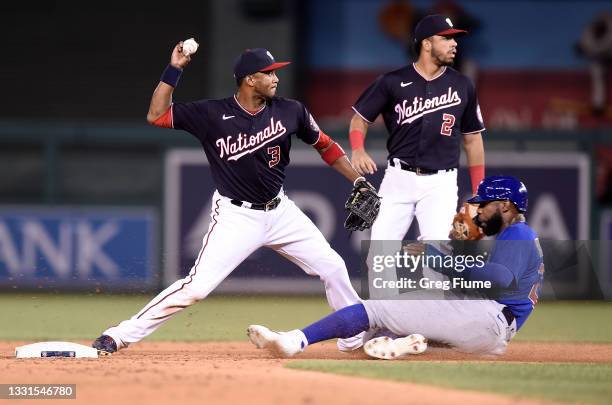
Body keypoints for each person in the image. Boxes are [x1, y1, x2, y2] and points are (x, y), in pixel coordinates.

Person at [91, 43, 369, 354]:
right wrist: (175, 69)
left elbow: (326, 145)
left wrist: (357, 179)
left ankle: (354, 337)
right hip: (237, 216)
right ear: (249, 79)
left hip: (281, 211)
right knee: (195, 288)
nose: (276, 78)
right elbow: (156, 115)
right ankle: (120, 334)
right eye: (269, 73)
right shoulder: (211, 114)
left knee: (332, 266)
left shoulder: (292, 110)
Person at [247, 176, 545, 358]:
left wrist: (440, 261)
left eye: (486, 205)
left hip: (488, 320)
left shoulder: (518, 233)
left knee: (376, 308)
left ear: (505, 206)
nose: (479, 211)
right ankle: (411, 344)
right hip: (489, 330)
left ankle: (294, 341)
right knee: (379, 335)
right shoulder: (517, 236)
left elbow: (498, 279)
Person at [349, 14, 485, 241]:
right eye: (447, 38)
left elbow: (473, 140)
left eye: (455, 39)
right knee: (380, 258)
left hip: (441, 184)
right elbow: (359, 119)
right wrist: (358, 149)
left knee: (437, 260)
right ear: (427, 43)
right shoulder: (391, 81)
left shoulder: (463, 85)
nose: (454, 44)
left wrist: (479, 192)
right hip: (397, 179)